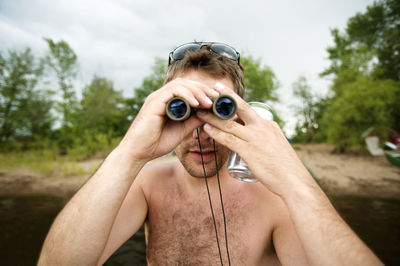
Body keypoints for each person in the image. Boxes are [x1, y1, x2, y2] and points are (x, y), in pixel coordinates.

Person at [38, 42, 382, 266]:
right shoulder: (147, 184)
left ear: (241, 112)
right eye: (184, 110)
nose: (201, 133)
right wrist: (130, 152)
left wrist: (295, 182)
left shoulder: (275, 198)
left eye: (219, 109)